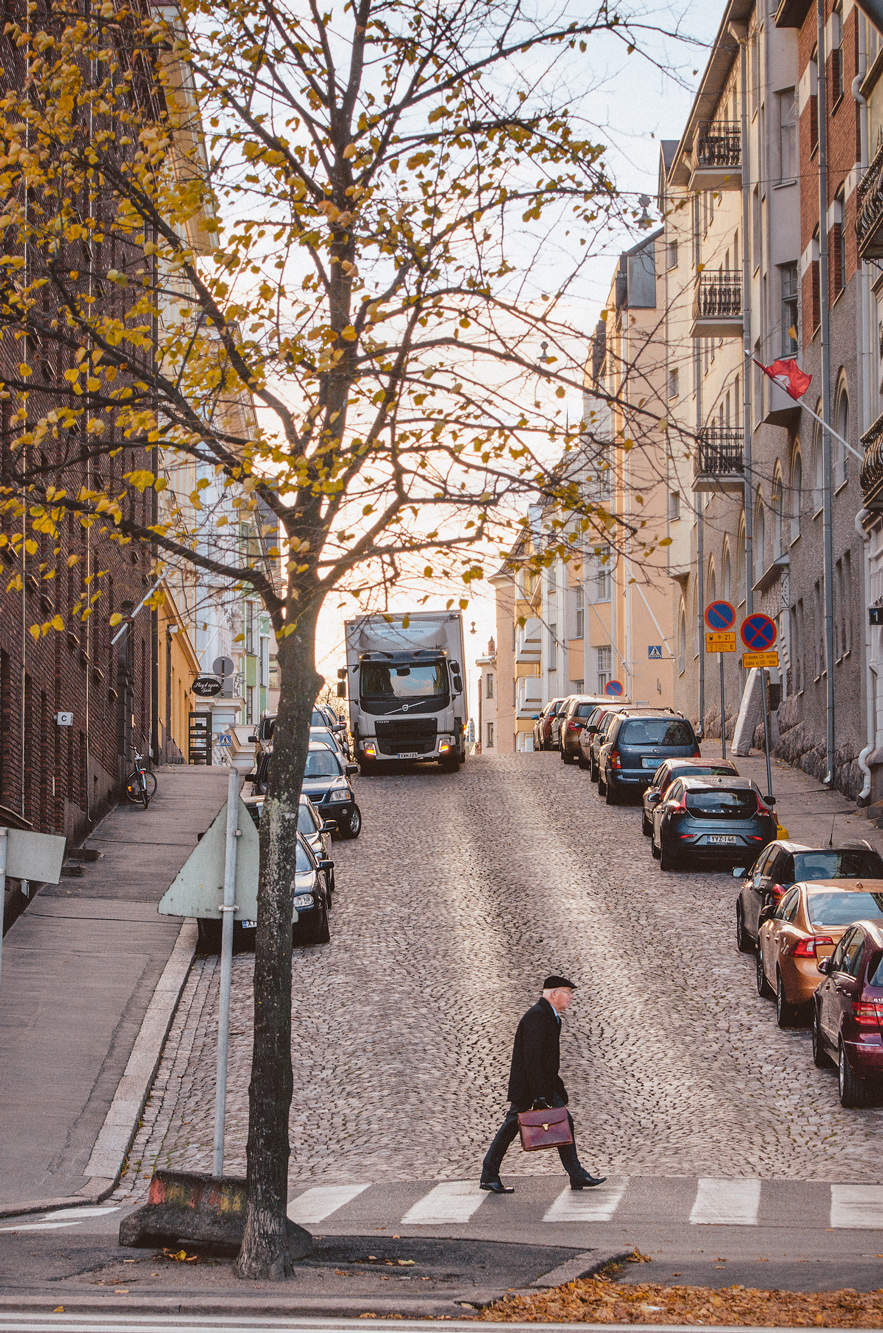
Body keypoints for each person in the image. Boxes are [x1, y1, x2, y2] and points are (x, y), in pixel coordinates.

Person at [480, 975, 606, 1194]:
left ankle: (576, 1175)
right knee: (511, 1127)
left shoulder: (550, 1016)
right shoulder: (538, 1017)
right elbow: (532, 1058)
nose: (571, 997)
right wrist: (539, 1094)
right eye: (567, 992)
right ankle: (489, 1174)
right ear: (554, 993)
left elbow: (547, 1060)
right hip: (530, 1088)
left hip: (541, 1086)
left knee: (563, 1122)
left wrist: (556, 1087)